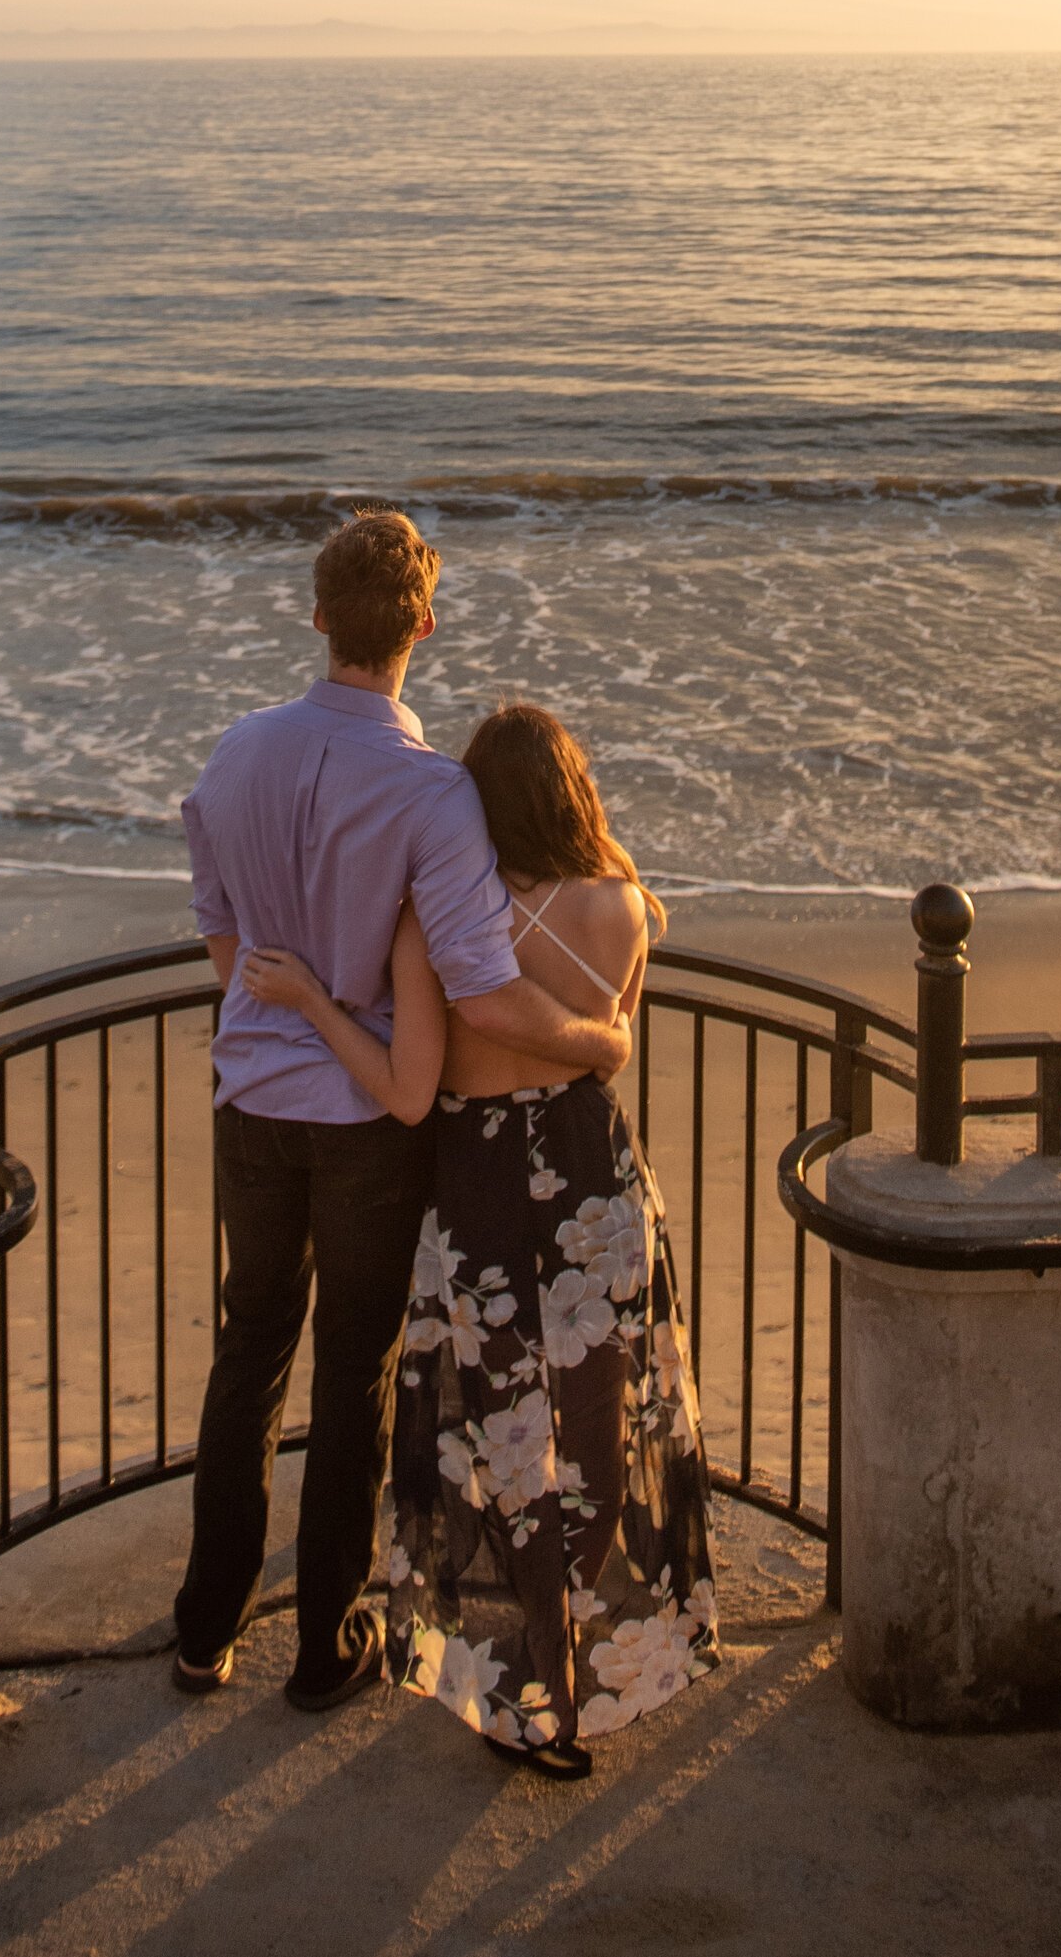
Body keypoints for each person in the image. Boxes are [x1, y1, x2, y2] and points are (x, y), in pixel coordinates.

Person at [172, 514, 631, 1711]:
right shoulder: (433, 795)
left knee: (250, 1344)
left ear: (318, 616)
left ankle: (203, 1626)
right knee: (352, 1370)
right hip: (370, 1117)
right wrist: (598, 1040)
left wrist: (282, 1002)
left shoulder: (234, 756)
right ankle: (324, 1646)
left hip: (253, 1101)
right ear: (423, 625)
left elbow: (224, 944)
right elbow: (480, 984)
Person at [243, 697, 718, 1776]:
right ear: (574, 790)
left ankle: (529, 1673)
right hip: (595, 1176)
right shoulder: (626, 906)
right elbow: (610, 1049)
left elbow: (409, 1094)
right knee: (594, 1429)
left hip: (479, 1188)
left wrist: (317, 1003)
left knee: (503, 1438)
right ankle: (571, 1669)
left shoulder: (436, 921)